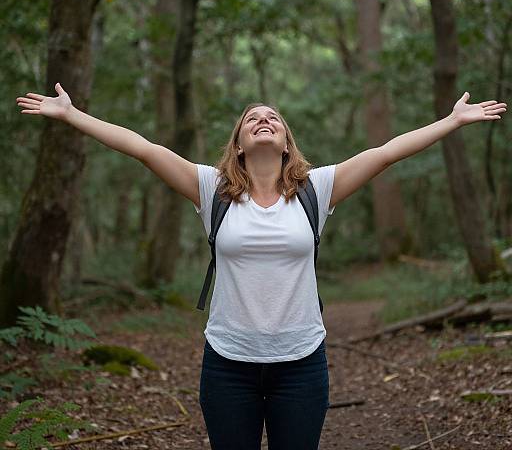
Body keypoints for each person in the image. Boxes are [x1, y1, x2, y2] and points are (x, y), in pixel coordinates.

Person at [17, 84, 507, 449]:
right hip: (228, 363)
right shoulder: (211, 189)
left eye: (273, 117)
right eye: (253, 118)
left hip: (302, 362)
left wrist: (452, 121)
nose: (264, 119)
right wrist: (73, 115)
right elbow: (143, 148)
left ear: (287, 142)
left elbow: (385, 154)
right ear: (239, 145)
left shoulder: (317, 189)